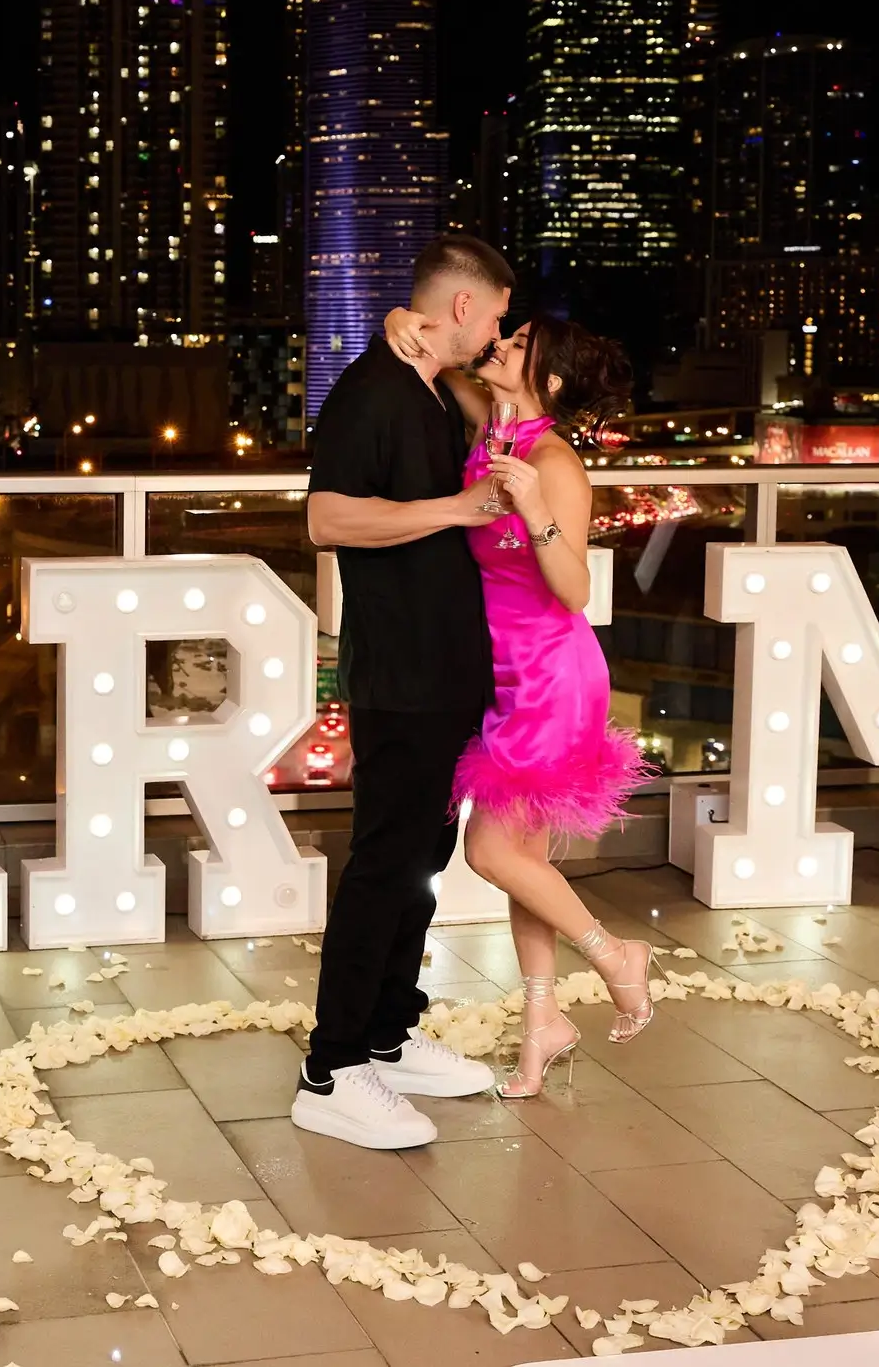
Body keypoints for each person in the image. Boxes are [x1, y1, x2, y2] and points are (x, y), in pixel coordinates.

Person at [383, 306, 653, 1099]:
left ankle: (614, 953)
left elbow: (574, 589)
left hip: (549, 673)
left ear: (554, 378)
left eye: (522, 344)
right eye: (507, 334)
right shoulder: (490, 430)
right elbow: (448, 358)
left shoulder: (557, 463)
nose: (502, 345)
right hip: (499, 674)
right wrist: (402, 316)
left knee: (491, 853)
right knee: (525, 860)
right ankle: (543, 1025)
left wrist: (535, 510)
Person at [293, 234, 513, 1151]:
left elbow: (483, 390)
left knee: (422, 861)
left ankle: (387, 1032)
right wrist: (456, 511)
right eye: (495, 316)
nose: (498, 333)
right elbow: (325, 516)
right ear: (462, 306)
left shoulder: (426, 389)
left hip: (446, 672)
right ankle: (331, 1067)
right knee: (386, 864)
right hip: (402, 676)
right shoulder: (370, 391)